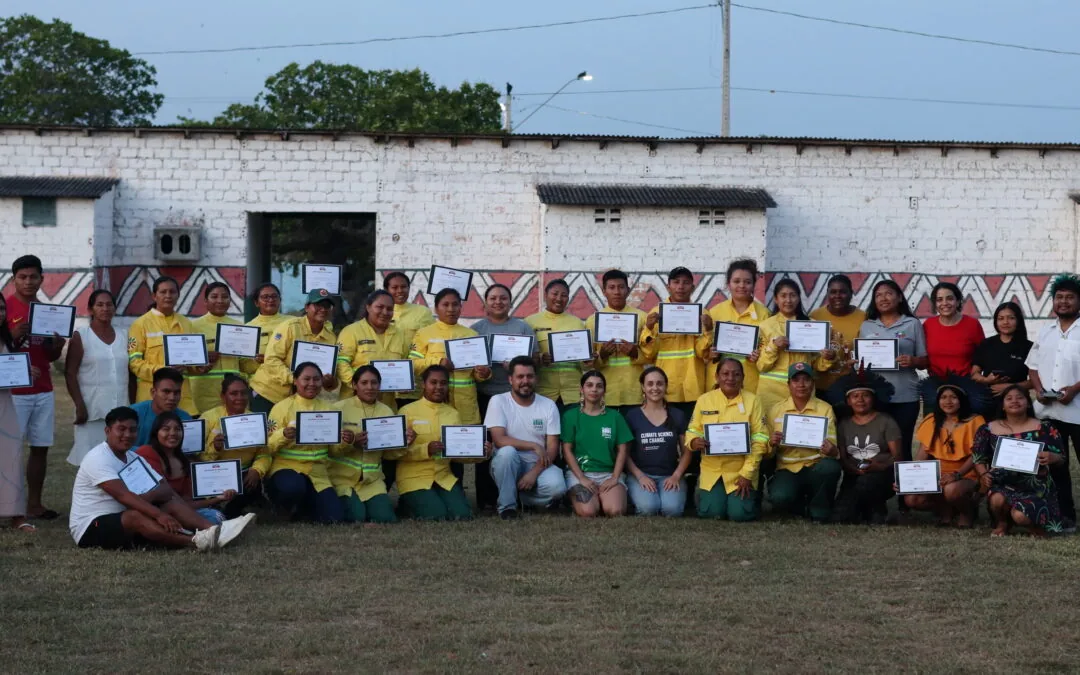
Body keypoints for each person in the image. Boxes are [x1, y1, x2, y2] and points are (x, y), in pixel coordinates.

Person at [69, 406, 253, 551]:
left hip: (124, 516)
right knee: (135, 514)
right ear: (107, 431)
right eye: (121, 429)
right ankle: (195, 541)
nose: (127, 435)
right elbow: (124, 496)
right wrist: (158, 513)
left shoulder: (134, 458)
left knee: (168, 503)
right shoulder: (98, 458)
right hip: (91, 526)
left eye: (132, 430)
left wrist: (150, 500)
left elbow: (165, 489)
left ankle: (215, 531)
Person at [391, 365, 492, 521]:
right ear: (424, 384)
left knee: (462, 515)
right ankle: (406, 503)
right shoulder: (407, 411)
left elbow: (458, 454)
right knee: (436, 515)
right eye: (433, 382)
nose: (439, 387)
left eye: (443, 383)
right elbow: (395, 453)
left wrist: (481, 454)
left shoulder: (453, 414)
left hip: (443, 477)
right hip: (414, 478)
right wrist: (426, 450)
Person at [6, 255, 65, 520]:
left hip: (43, 389)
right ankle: (10, 506)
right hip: (13, 392)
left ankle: (34, 504)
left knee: (40, 447)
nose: (29, 282)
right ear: (14, 279)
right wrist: (14, 337)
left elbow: (49, 356)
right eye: (23, 277)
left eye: (33, 277)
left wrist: (57, 346)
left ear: (42, 279)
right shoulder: (5, 308)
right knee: (9, 450)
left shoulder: (46, 310)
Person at [471, 283, 538, 509]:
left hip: (517, 397)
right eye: (493, 298)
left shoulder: (522, 328)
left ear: (510, 302)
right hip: (485, 394)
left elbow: (534, 360)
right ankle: (486, 499)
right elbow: (469, 363)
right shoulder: (476, 329)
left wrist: (517, 365)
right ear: (485, 303)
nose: (498, 302)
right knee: (485, 448)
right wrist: (478, 369)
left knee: (512, 446)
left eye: (503, 298)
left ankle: (520, 494)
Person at [973, 385, 1065, 537]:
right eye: (1009, 399)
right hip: (1002, 482)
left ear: (1028, 403)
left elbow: (1061, 458)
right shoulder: (988, 429)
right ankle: (1002, 523)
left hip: (1036, 485)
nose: (1014, 401)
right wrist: (983, 475)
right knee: (997, 499)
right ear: (1002, 405)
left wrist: (1052, 457)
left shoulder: (1045, 427)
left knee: (1020, 516)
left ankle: (1034, 527)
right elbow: (978, 458)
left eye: (1020, 398)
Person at [1027, 273, 1080, 530]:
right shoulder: (1045, 331)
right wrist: (1037, 389)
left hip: (1078, 410)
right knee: (1057, 467)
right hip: (1049, 412)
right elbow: (1033, 367)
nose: (1064, 302)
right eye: (1059, 297)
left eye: (1070, 297)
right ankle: (1066, 517)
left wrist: (1074, 389)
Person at [685, 358, 769, 521]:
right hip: (713, 470)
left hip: (741, 469)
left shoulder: (753, 401)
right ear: (716, 377)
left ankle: (753, 497)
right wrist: (694, 441)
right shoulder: (705, 400)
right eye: (725, 373)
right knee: (712, 513)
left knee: (739, 515)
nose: (730, 378)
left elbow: (761, 439)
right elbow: (692, 429)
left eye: (736, 374)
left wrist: (747, 473)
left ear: (743, 378)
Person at [331, 365, 414, 524]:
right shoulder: (339, 409)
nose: (369, 387)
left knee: (385, 518)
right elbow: (330, 451)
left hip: (372, 482)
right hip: (342, 479)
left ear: (379, 385)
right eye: (364, 383)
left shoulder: (386, 411)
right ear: (355, 385)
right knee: (356, 517)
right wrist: (351, 443)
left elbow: (389, 454)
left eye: (374, 383)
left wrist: (405, 443)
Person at [266, 362, 347, 524]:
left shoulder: (329, 410)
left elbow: (335, 451)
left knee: (333, 518)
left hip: (317, 473)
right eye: (306, 379)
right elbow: (267, 447)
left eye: (316, 379)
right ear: (295, 381)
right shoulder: (281, 408)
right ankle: (283, 507)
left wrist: (345, 441)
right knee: (293, 488)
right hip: (287, 469)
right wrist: (283, 435)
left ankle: (304, 508)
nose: (312, 384)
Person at [485, 356, 566, 519]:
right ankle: (507, 508)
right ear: (510, 379)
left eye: (529, 376)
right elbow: (499, 440)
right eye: (520, 377)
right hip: (507, 462)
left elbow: (552, 448)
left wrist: (534, 473)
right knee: (507, 452)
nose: (525, 381)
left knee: (558, 488)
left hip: (538, 463)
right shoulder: (498, 401)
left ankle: (521, 498)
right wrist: (533, 445)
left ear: (536, 379)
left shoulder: (548, 405)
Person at [859, 279, 928, 464]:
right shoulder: (867, 326)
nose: (883, 298)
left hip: (906, 396)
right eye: (878, 295)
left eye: (888, 293)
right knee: (877, 446)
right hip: (876, 396)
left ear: (899, 297)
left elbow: (924, 361)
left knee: (903, 446)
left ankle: (903, 493)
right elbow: (861, 362)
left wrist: (913, 361)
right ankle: (880, 489)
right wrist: (858, 363)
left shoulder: (912, 324)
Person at [906, 375, 988, 527]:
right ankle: (946, 511)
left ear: (962, 400)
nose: (948, 401)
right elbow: (922, 453)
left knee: (951, 490)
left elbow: (976, 455)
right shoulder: (931, 420)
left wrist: (957, 475)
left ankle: (967, 512)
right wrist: (908, 479)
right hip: (937, 474)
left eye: (953, 397)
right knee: (912, 499)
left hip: (966, 473)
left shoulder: (975, 421)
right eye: (943, 397)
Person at [767, 363, 841, 523]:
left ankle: (819, 510)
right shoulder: (776, 410)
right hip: (787, 468)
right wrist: (771, 443)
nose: (801, 385)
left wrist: (831, 449)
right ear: (788, 384)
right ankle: (799, 504)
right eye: (796, 380)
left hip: (815, 466)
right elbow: (767, 452)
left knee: (829, 467)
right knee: (780, 498)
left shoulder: (825, 409)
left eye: (806, 380)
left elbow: (832, 447)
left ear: (813, 383)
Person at [409, 287, 491, 430]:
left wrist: (483, 374)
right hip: (436, 403)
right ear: (436, 308)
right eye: (445, 305)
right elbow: (413, 365)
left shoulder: (472, 334)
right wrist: (438, 362)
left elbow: (478, 373)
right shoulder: (423, 334)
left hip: (465, 405)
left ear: (460, 307)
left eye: (455, 304)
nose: (451, 309)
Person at [829, 367, 901, 525]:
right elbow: (843, 456)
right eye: (855, 396)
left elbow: (898, 456)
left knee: (867, 484)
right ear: (848, 401)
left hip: (882, 475)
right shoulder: (843, 424)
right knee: (840, 518)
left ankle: (877, 508)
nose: (860, 400)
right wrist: (853, 469)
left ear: (873, 398)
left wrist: (880, 466)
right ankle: (863, 509)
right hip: (853, 475)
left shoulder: (886, 421)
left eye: (865, 395)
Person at [249, 288, 339, 414]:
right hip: (268, 393)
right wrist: (294, 379)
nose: (323, 309)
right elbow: (271, 359)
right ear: (307, 307)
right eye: (318, 305)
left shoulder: (331, 338)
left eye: (327, 306)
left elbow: (330, 378)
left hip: (297, 401)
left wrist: (329, 382)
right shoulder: (290, 327)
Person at [65, 289, 128, 467]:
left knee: (119, 462)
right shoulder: (81, 335)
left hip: (121, 407)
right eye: (99, 305)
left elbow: (131, 371)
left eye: (109, 304)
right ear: (91, 309)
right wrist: (79, 405)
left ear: (115, 309)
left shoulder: (126, 336)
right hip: (92, 410)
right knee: (90, 462)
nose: (105, 308)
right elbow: (70, 373)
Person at [639, 267, 713, 419]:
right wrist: (649, 327)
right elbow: (649, 354)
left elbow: (703, 353)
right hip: (665, 387)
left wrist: (708, 330)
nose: (680, 286)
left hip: (693, 385)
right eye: (676, 282)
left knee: (691, 433)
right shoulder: (656, 314)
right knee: (668, 434)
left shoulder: (702, 314)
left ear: (693, 287)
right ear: (668, 286)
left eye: (686, 283)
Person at [135, 412, 234, 524]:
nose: (173, 433)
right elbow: (171, 497)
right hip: (155, 515)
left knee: (216, 516)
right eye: (166, 429)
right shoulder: (146, 452)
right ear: (156, 433)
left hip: (180, 512)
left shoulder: (183, 460)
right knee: (211, 519)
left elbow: (186, 503)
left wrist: (218, 498)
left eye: (177, 429)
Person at [756, 278, 835, 415]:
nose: (788, 300)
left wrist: (829, 357)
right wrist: (774, 346)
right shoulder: (765, 326)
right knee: (772, 432)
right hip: (771, 392)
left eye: (793, 295)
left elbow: (817, 365)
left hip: (802, 389)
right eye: (783, 296)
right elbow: (762, 365)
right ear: (776, 299)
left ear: (799, 298)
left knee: (800, 430)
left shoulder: (813, 325)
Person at [561, 370, 632, 518]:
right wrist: (582, 478)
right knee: (588, 512)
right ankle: (581, 500)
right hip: (581, 473)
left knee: (615, 511)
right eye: (589, 385)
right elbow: (567, 450)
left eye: (599, 386)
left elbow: (623, 450)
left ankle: (605, 497)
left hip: (608, 473)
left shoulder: (615, 417)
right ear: (582, 389)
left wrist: (614, 477)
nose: (594, 389)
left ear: (604, 391)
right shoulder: (570, 416)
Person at [200, 374, 271, 519]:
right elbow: (200, 458)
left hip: (243, 474)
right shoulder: (208, 418)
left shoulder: (255, 420)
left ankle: (236, 508)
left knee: (249, 487)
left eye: (244, 393)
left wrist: (257, 470)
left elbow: (264, 454)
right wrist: (216, 448)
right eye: (233, 393)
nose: (239, 397)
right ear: (223, 396)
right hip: (214, 473)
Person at [128, 275, 203, 412]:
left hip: (182, 401)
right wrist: (164, 371)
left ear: (178, 295)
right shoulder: (140, 325)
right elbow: (134, 363)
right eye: (163, 292)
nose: (168, 296)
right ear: (154, 296)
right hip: (151, 400)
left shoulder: (186, 324)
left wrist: (200, 366)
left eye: (172, 292)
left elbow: (191, 366)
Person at [624, 366, 691, 517]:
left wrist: (676, 476)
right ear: (643, 387)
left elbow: (687, 451)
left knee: (672, 510)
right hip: (641, 475)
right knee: (648, 509)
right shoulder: (632, 416)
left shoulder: (677, 415)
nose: (655, 388)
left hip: (670, 475)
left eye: (660, 384)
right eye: (650, 384)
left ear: (666, 386)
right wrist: (640, 476)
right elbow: (624, 454)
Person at [584, 270, 650, 412]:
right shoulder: (593, 321)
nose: (617, 292)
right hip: (605, 392)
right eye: (611, 287)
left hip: (634, 392)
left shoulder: (642, 318)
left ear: (628, 290)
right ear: (604, 291)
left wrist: (635, 353)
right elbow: (586, 363)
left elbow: (652, 355)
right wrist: (601, 355)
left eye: (621, 287)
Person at [335, 289, 409, 409]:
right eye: (379, 307)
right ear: (368, 307)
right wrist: (359, 385)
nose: (385, 312)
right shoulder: (351, 331)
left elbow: (404, 364)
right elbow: (341, 362)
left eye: (389, 309)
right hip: (353, 403)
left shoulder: (400, 334)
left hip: (386, 406)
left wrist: (404, 383)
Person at [708, 258, 770, 393]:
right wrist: (710, 354)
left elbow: (769, 352)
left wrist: (758, 356)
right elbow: (704, 347)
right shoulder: (715, 313)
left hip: (750, 383)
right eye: (736, 281)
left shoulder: (764, 315)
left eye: (747, 282)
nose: (742, 286)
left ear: (754, 285)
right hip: (718, 384)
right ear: (728, 284)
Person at [527, 279, 589, 411]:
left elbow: (584, 364)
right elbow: (525, 359)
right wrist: (540, 358)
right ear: (545, 295)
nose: (559, 299)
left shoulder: (577, 323)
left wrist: (588, 360)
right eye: (555, 294)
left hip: (572, 392)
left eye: (564, 295)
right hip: (543, 391)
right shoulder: (530, 322)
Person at [0, 294, 34, 532]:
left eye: (2, 308)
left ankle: (16, 514)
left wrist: (28, 371)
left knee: (10, 456)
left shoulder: (5, 338)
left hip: (4, 405)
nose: (0, 313)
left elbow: (11, 370)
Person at [190, 282, 249, 414]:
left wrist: (255, 358)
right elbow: (186, 360)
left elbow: (245, 365)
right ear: (205, 301)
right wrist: (203, 356)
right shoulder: (192, 327)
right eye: (214, 297)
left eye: (225, 297)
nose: (220, 301)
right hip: (203, 391)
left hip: (234, 394)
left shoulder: (240, 327)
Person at [809, 274, 866, 395]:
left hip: (849, 388)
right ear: (827, 294)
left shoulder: (863, 318)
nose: (837, 296)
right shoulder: (815, 316)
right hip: (819, 385)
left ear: (851, 293)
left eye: (843, 292)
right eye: (833, 292)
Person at [384, 271, 434, 406]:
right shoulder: (381, 312)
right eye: (394, 287)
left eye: (404, 286)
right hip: (386, 381)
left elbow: (432, 344)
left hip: (415, 381)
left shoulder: (423, 313)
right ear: (386, 290)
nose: (400, 291)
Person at [971, 301, 1033, 406]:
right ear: (996, 321)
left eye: (1011, 318)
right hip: (988, 401)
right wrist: (986, 380)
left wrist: (1010, 387)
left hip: (1017, 402)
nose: (1005, 322)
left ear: (1018, 321)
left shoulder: (1029, 347)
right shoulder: (986, 344)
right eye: (1001, 318)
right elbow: (974, 374)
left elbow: (1034, 381)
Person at [923, 281, 985, 378]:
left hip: (966, 384)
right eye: (939, 299)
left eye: (950, 299)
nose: (945, 303)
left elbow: (983, 355)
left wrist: (975, 374)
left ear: (958, 301)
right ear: (935, 303)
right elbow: (923, 357)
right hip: (936, 384)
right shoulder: (928, 325)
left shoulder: (972, 324)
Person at [130, 368, 193, 447]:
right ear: (153, 392)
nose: (172, 398)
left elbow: (189, 452)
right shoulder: (133, 414)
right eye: (166, 392)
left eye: (177, 392)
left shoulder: (185, 418)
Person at [242, 282, 287, 379]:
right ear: (256, 303)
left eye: (274, 296)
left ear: (280, 300)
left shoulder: (292, 322)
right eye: (265, 297)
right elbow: (243, 364)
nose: (270, 300)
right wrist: (256, 362)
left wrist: (272, 360)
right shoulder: (248, 328)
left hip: (287, 381)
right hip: (259, 384)